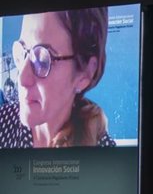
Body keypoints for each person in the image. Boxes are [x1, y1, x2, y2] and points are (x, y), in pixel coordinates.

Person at [0, 8, 115, 148]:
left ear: (85, 74)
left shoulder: (103, 154)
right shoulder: (3, 122)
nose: (22, 79)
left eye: (42, 60)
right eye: (21, 52)